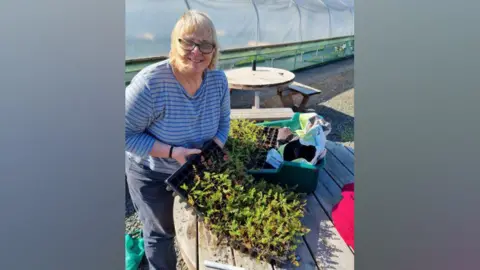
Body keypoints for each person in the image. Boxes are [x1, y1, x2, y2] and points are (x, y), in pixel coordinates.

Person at [125, 10, 230, 270]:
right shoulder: (151, 84)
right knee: (161, 232)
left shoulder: (218, 81)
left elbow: (224, 123)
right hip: (152, 172)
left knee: (197, 225)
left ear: (214, 50)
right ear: (175, 43)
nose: (197, 51)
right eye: (188, 42)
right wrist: (172, 152)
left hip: (192, 170)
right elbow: (123, 133)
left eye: (205, 44)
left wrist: (214, 150)